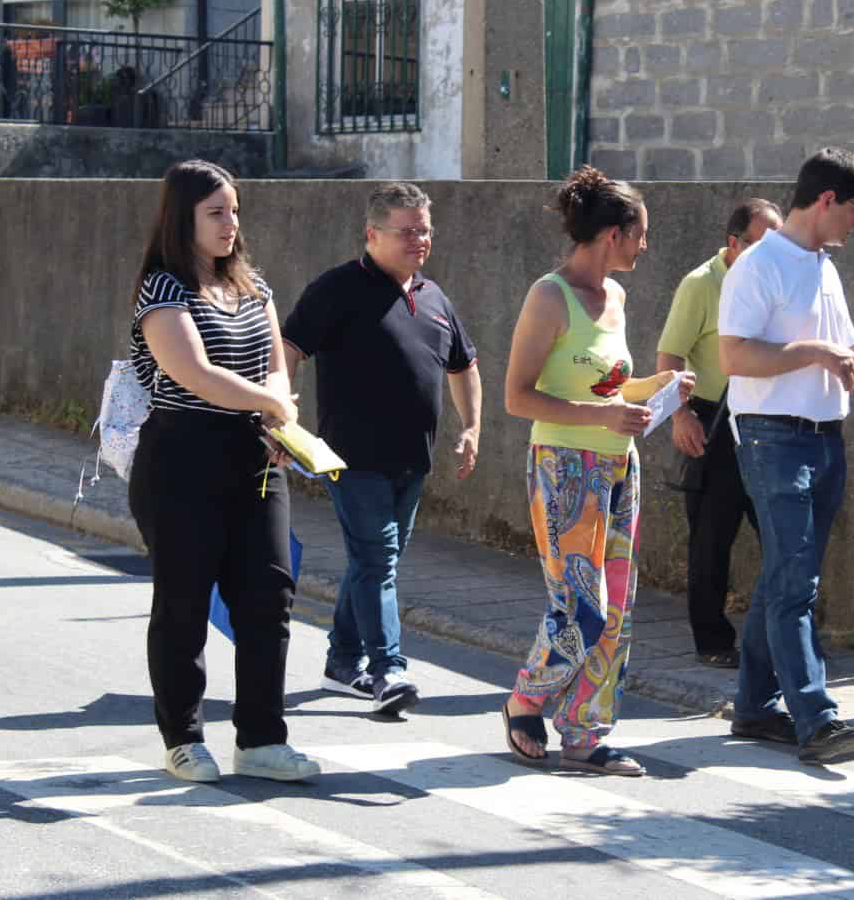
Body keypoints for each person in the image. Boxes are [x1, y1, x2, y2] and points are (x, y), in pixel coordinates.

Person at [128, 159, 319, 783]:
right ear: (182, 219)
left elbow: (275, 366)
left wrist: (276, 416)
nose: (230, 223)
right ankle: (182, 738)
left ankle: (262, 739)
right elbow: (195, 374)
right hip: (182, 458)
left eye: (235, 211)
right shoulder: (162, 289)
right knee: (183, 602)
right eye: (216, 212)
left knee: (269, 595)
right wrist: (272, 405)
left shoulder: (254, 286)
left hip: (256, 456)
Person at [501, 165, 694, 777]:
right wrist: (601, 416)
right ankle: (525, 699)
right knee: (579, 606)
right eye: (640, 233)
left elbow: (610, 387)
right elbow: (518, 397)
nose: (645, 244)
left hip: (618, 468)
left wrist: (657, 386)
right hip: (563, 467)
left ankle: (585, 734)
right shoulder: (548, 296)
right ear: (612, 234)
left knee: (617, 609)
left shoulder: (616, 297)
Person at [717, 147, 854, 765]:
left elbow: (850, 355)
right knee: (797, 580)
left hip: (824, 435)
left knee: (784, 576)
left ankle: (752, 706)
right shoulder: (758, 264)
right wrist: (815, 353)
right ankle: (817, 720)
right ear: (825, 200)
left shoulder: (824, 266)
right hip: (773, 436)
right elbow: (735, 357)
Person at [282, 183, 481, 716]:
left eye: (425, 230)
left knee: (374, 562)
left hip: (412, 459)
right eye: (408, 230)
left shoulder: (435, 297)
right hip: (351, 457)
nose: (420, 239)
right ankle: (387, 669)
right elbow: (289, 348)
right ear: (372, 235)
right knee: (378, 559)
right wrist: (281, 414)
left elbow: (464, 366)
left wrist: (472, 427)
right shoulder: (338, 289)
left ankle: (341, 662)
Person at [657, 198, 782, 668]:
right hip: (712, 416)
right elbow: (669, 357)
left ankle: (780, 635)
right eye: (762, 244)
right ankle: (712, 640)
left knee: (779, 532)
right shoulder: (700, 284)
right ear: (734, 243)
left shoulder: (773, 280)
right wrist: (681, 415)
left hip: (764, 418)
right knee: (711, 537)